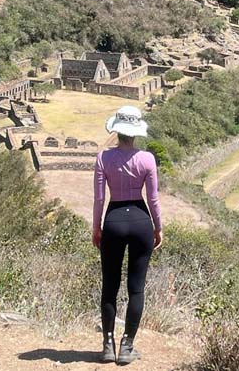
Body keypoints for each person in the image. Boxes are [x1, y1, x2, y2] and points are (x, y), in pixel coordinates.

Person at [93, 105, 163, 365]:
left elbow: (100, 198)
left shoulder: (103, 158)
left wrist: (96, 227)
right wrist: (158, 227)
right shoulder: (146, 159)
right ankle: (127, 346)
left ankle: (107, 345)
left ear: (117, 131)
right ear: (135, 133)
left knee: (109, 285)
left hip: (113, 220)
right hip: (140, 220)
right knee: (136, 288)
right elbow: (153, 199)